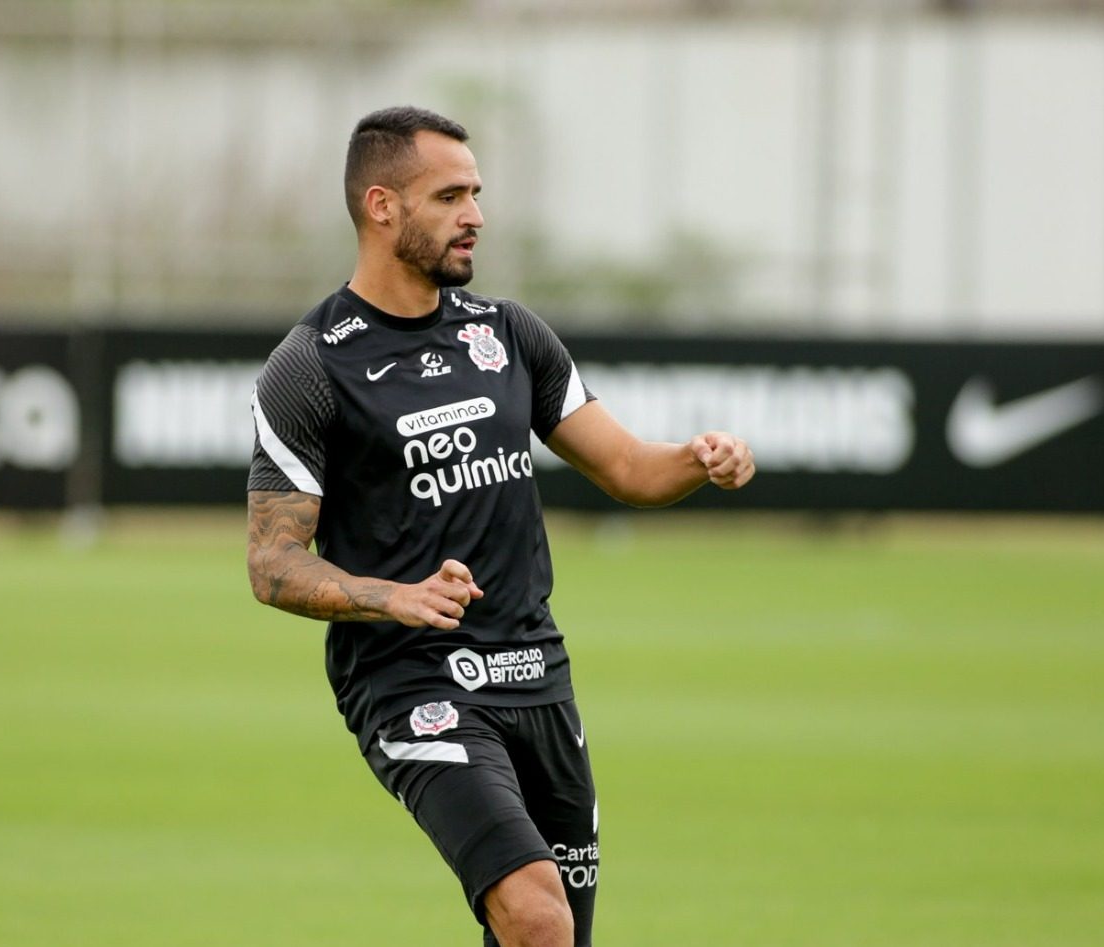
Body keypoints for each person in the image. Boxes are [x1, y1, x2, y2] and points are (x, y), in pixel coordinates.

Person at [245, 105, 755, 947]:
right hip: (414, 686)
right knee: (536, 915)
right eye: (450, 195)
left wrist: (701, 457)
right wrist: (393, 598)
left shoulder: (509, 333)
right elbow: (271, 564)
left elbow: (629, 467)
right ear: (382, 206)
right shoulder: (311, 367)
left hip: (539, 678)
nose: (476, 214)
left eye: (476, 192)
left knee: (551, 936)